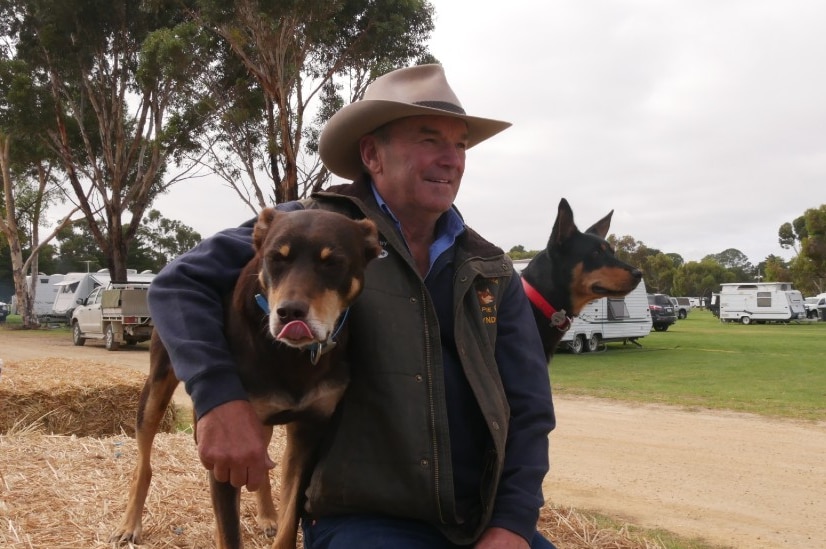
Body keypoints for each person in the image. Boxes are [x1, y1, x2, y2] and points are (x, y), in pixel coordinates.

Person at [148, 64, 557, 549]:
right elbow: (177, 285)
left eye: (460, 145)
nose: (451, 160)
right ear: (372, 154)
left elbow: (529, 409)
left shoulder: (490, 268)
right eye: (429, 140)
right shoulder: (312, 228)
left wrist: (510, 524)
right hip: (364, 518)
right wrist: (220, 398)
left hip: (477, 520)